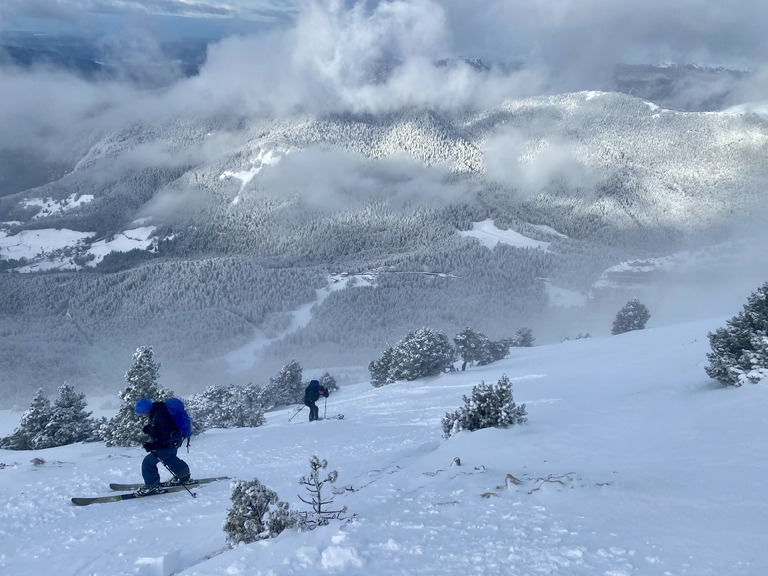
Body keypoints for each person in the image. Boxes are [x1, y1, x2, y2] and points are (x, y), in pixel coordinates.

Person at [134, 397, 191, 494]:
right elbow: (161, 430)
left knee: (148, 463)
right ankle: (183, 474)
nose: (140, 415)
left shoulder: (160, 415)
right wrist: (149, 429)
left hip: (169, 444)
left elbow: (165, 435)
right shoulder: (157, 411)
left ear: (146, 410)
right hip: (175, 441)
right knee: (169, 458)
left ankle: (152, 485)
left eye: (141, 413)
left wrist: (153, 446)